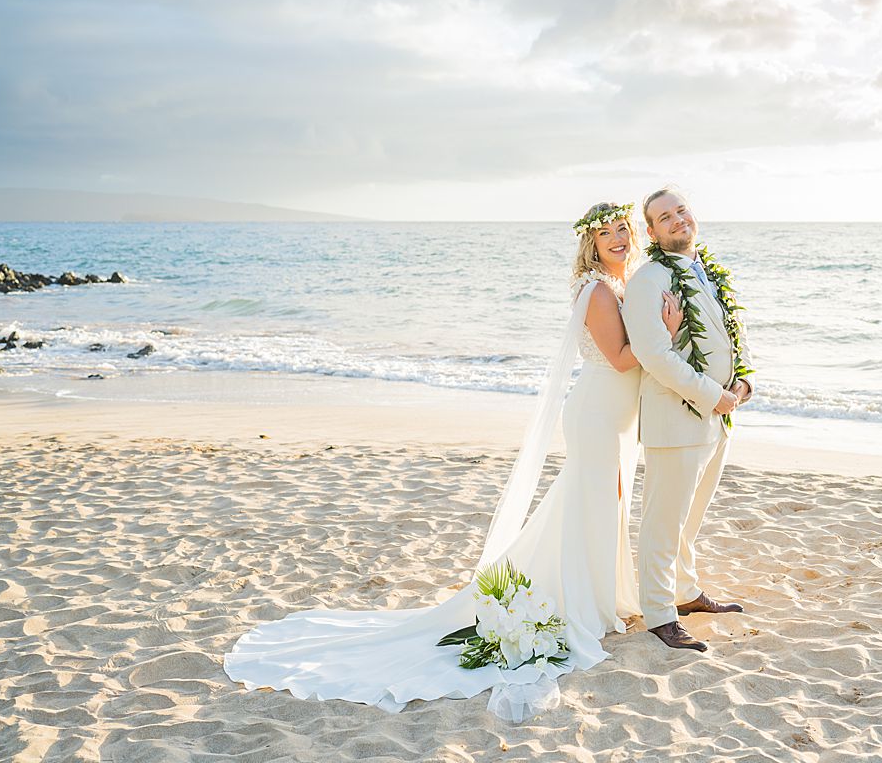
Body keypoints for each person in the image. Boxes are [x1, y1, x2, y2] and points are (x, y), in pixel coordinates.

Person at [223, 201, 682, 712]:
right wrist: (666, 331)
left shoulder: (625, 284)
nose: (617, 239)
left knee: (609, 503)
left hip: (618, 416)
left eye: (623, 229)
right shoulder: (597, 290)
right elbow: (620, 360)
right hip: (598, 411)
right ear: (591, 245)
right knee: (590, 502)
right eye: (605, 235)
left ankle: (603, 600)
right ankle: (584, 607)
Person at [621, 187, 755, 652]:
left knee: (691, 517)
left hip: (718, 416)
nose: (678, 219)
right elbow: (654, 355)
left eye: (681, 210)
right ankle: (659, 614)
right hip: (678, 417)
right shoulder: (647, 280)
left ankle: (686, 592)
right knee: (663, 519)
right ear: (653, 231)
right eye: (665, 216)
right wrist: (710, 396)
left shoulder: (708, 272)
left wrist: (741, 385)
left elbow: (731, 334)